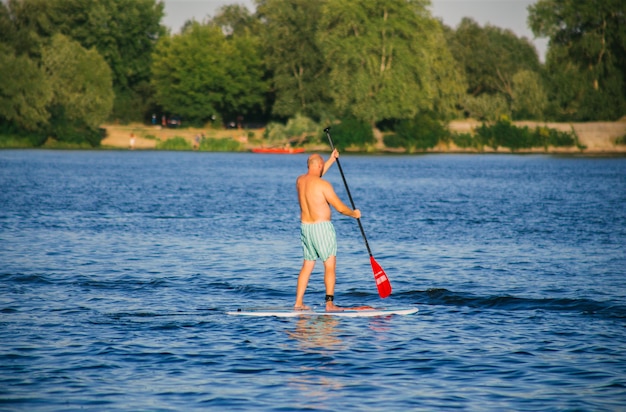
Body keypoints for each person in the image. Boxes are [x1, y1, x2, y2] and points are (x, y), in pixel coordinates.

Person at [295, 149, 361, 311]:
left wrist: (331, 159)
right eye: (322, 165)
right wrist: (354, 214)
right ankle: (329, 304)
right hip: (322, 228)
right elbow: (340, 208)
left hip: (306, 228)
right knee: (329, 265)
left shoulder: (300, 181)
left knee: (307, 265)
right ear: (319, 165)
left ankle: (298, 303)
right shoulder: (323, 185)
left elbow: (316, 176)